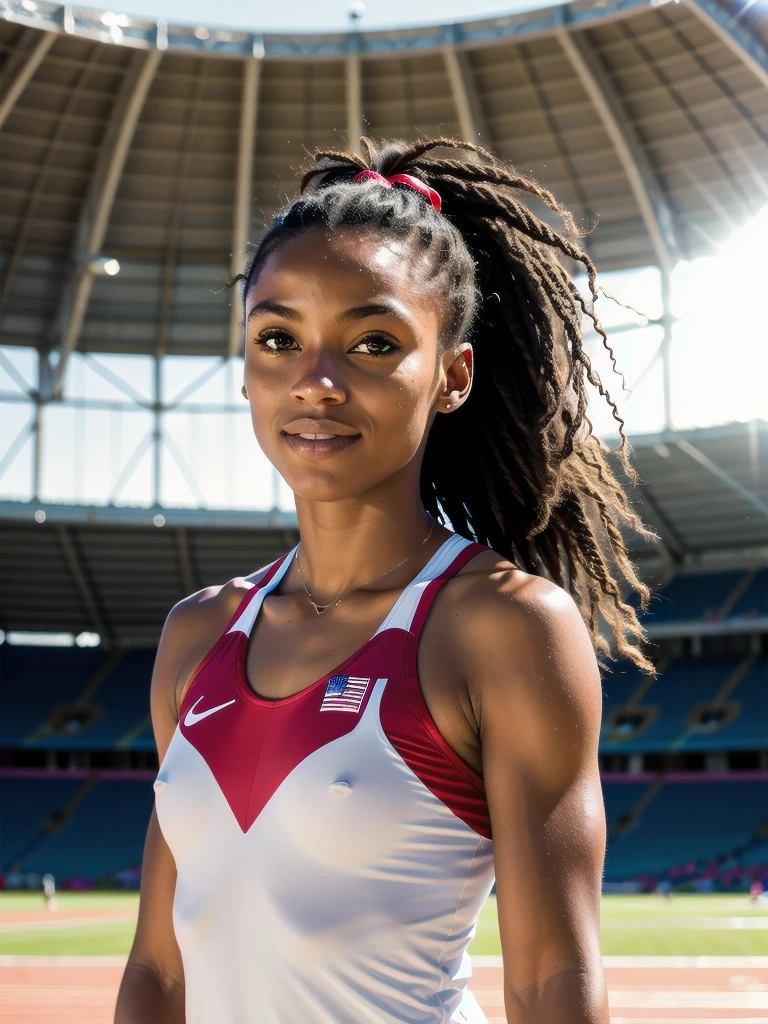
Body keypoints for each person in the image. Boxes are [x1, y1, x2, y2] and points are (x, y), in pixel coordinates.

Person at [114, 137, 659, 1024]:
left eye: (372, 342)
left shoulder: (503, 626)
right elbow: (159, 972)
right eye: (278, 338)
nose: (316, 382)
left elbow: (551, 976)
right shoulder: (198, 634)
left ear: (451, 376)